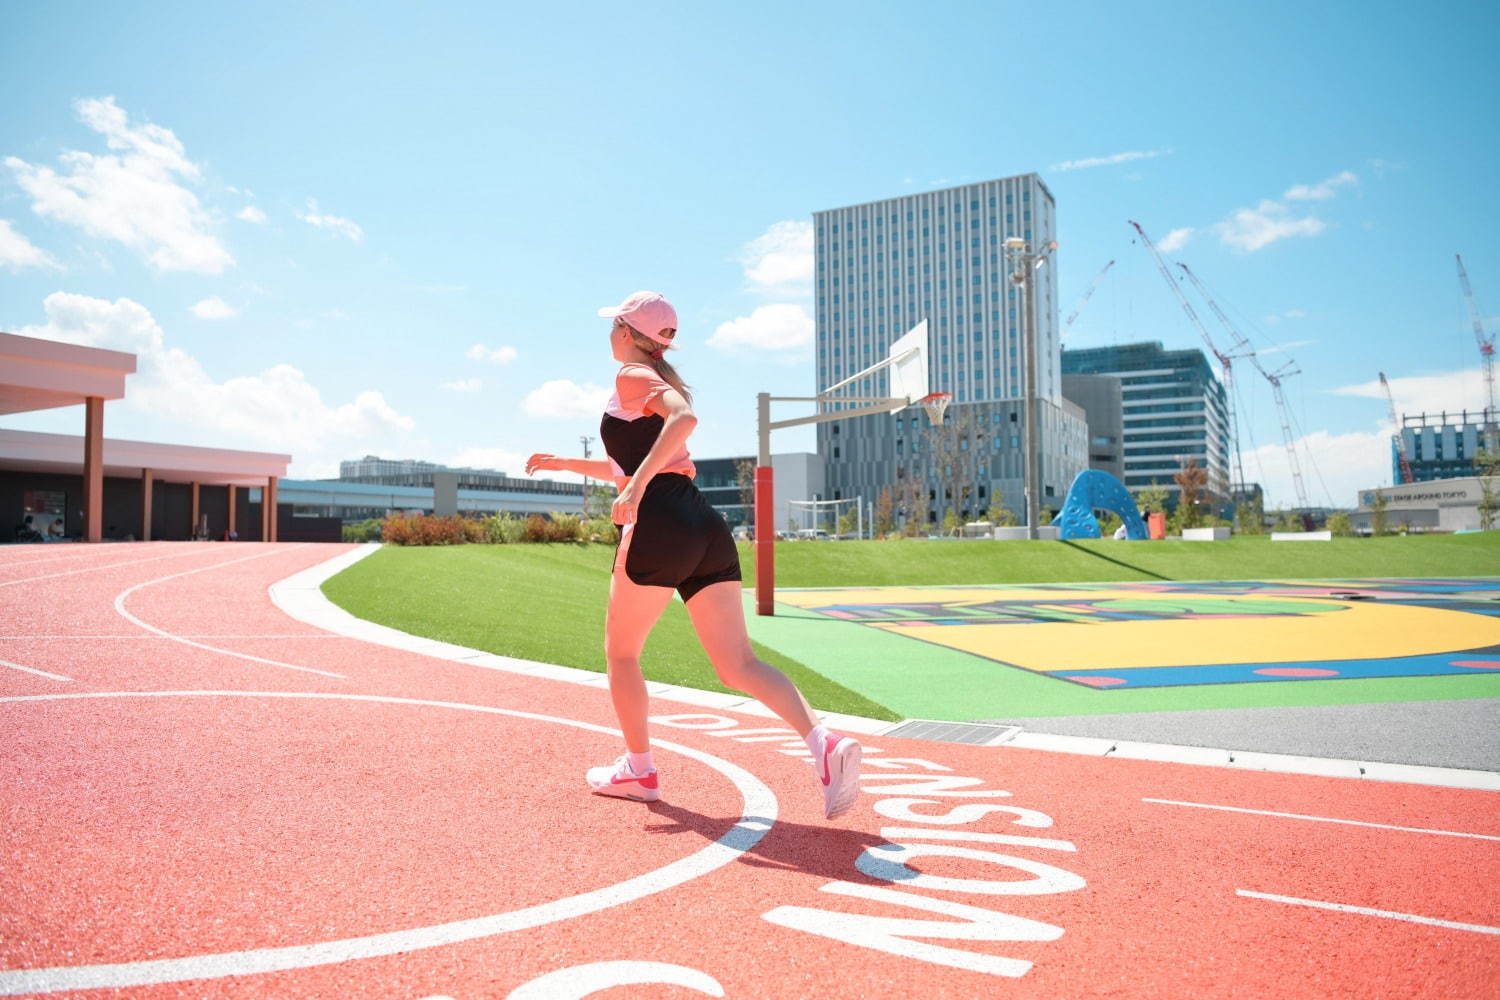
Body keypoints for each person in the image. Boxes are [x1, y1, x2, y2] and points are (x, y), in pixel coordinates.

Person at [526, 291, 862, 820]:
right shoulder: (645, 384)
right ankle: (824, 743)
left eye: (613, 324)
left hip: (659, 520)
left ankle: (640, 768)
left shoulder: (632, 377)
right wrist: (566, 463)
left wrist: (635, 488)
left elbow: (684, 422)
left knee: (621, 654)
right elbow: (637, 460)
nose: (608, 333)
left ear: (625, 331)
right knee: (739, 664)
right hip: (703, 525)